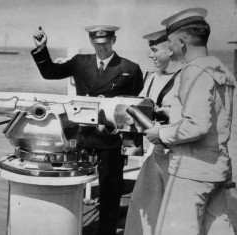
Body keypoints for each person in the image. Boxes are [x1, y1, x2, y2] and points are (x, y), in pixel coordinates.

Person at [31, 25, 144, 235]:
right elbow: (50, 73)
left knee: (110, 193)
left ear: (114, 40)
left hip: (110, 140)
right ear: (91, 42)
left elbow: (133, 106)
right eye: (97, 44)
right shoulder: (80, 63)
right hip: (82, 137)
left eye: (106, 43)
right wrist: (42, 49)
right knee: (68, 184)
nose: (102, 48)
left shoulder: (130, 68)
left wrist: (128, 142)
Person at [144, 8, 236, 235]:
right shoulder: (220, 68)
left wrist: (161, 134)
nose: (172, 49)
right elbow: (215, 117)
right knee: (218, 227)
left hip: (190, 171)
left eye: (172, 43)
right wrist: (172, 114)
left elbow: (197, 125)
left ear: (182, 42)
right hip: (217, 168)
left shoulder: (192, 71)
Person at [124, 29, 183, 235]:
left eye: (155, 49)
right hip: (156, 151)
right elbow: (139, 105)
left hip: (180, 155)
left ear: (172, 49)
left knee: (176, 212)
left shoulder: (189, 78)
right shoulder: (150, 77)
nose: (150, 55)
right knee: (143, 205)